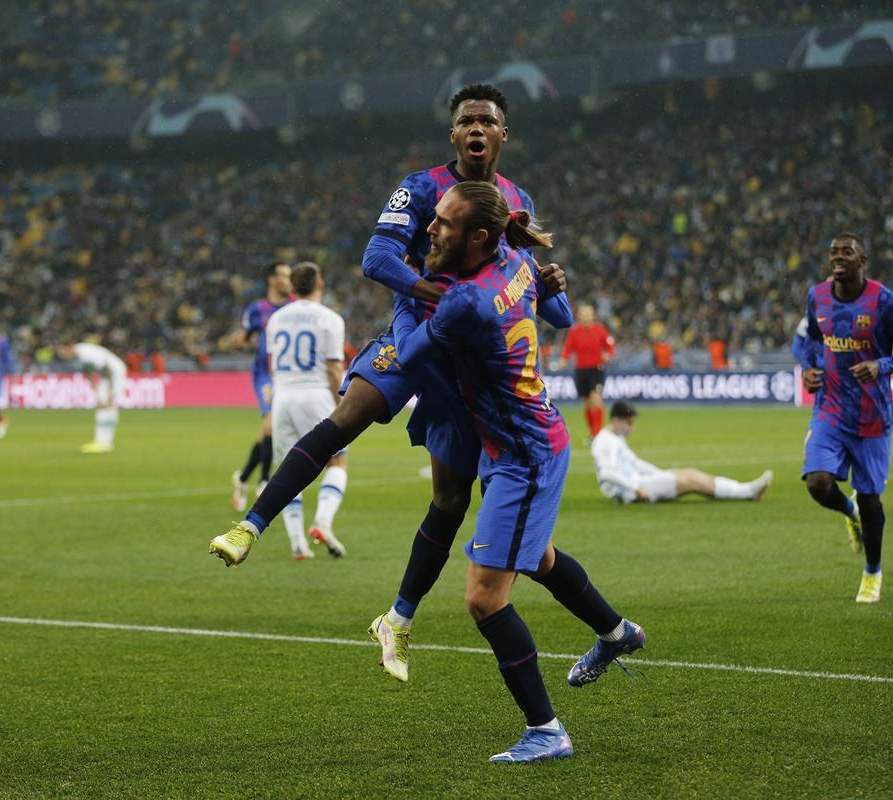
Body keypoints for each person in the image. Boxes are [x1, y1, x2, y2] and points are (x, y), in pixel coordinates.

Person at [209, 84, 573, 684]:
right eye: (466, 121)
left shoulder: (515, 200)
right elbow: (377, 258)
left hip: (470, 366)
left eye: (487, 120)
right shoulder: (420, 186)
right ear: (453, 134)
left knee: (451, 500)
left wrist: (549, 286)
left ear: (503, 136)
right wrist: (431, 294)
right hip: (414, 341)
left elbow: (523, 287)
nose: (476, 128)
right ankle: (250, 524)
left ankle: (399, 619)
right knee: (349, 414)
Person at [392, 181, 645, 763]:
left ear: (478, 236)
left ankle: (546, 731)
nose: (431, 228)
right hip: (527, 441)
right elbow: (552, 307)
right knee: (539, 557)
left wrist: (403, 293)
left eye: (444, 224)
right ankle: (617, 633)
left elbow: (408, 355)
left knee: (484, 598)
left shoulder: (465, 303)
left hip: (523, 455)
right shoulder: (514, 259)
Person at [801, 233, 893, 603]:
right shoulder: (817, 296)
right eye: (833, 251)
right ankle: (847, 509)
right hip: (830, 408)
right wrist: (808, 369)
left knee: (873, 502)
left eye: (846, 252)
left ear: (861, 259)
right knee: (818, 483)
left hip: (871, 416)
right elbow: (812, 340)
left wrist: (881, 365)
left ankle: (872, 571)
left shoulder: (883, 300)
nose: (838, 257)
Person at [263, 262, 349, 560]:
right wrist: (345, 403)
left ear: (293, 287)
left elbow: (272, 364)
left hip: (283, 397)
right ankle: (323, 521)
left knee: (289, 470)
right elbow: (334, 368)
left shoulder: (276, 319)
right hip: (316, 396)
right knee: (337, 462)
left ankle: (297, 543)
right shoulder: (330, 319)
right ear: (320, 284)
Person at [592, 402, 773, 504]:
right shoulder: (605, 441)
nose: (632, 428)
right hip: (631, 492)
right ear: (616, 421)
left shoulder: (616, 438)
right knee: (691, 478)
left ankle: (747, 491)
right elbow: (608, 473)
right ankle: (747, 491)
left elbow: (636, 462)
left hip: (639, 484)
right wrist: (636, 489)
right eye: (629, 423)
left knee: (690, 475)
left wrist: (659, 474)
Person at [230, 262, 293, 511]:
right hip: (265, 375)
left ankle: (243, 478)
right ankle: (265, 482)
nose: (288, 280)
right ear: (271, 279)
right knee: (270, 426)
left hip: (287, 375)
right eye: (283, 276)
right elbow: (244, 337)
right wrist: (237, 341)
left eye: (290, 276)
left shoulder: (293, 307)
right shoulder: (258, 309)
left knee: (267, 430)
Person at [57, 340, 127, 453]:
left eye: (63, 352)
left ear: (69, 347)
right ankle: (103, 442)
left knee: (107, 404)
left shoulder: (86, 352)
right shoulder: (78, 354)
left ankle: (103, 442)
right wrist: (92, 383)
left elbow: (107, 368)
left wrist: (109, 391)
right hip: (107, 373)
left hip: (114, 372)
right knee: (104, 404)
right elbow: (87, 368)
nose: (62, 356)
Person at [560, 303, 615, 438]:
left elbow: (610, 347)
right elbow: (568, 348)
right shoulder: (574, 332)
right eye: (583, 314)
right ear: (579, 316)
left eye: (588, 314)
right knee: (587, 404)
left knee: (596, 399)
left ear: (593, 316)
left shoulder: (600, 329)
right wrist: (564, 359)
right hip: (580, 370)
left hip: (596, 369)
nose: (586, 317)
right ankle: (593, 433)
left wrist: (608, 354)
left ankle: (598, 433)